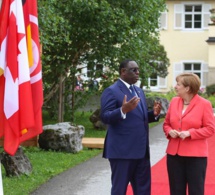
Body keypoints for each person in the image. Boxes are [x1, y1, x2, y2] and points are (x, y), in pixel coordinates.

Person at [100, 59, 162, 195]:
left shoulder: (138, 91)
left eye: (138, 69)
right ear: (123, 72)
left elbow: (139, 117)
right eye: (134, 70)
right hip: (122, 152)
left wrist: (154, 114)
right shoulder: (111, 91)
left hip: (141, 151)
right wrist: (122, 110)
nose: (138, 72)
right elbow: (105, 117)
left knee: (143, 190)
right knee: (119, 190)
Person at [163, 73, 215, 195]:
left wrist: (190, 133)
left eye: (178, 84)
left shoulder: (204, 104)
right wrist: (169, 131)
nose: (175, 87)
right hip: (174, 155)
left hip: (195, 157)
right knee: (176, 190)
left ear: (187, 88)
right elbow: (166, 124)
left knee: (196, 191)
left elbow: (210, 129)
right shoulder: (174, 101)